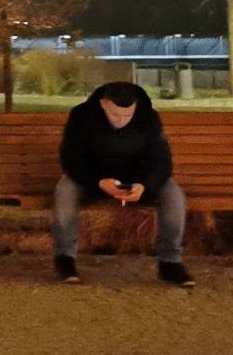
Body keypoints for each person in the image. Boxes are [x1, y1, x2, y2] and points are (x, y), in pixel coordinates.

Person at [53, 80, 193, 288]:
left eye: (127, 116)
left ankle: (170, 262)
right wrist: (98, 181)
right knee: (65, 190)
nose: (121, 121)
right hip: (93, 180)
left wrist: (144, 185)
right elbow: (71, 158)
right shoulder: (82, 116)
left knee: (173, 195)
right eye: (115, 115)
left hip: (138, 182)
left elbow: (161, 161)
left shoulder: (148, 117)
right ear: (103, 104)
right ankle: (65, 258)